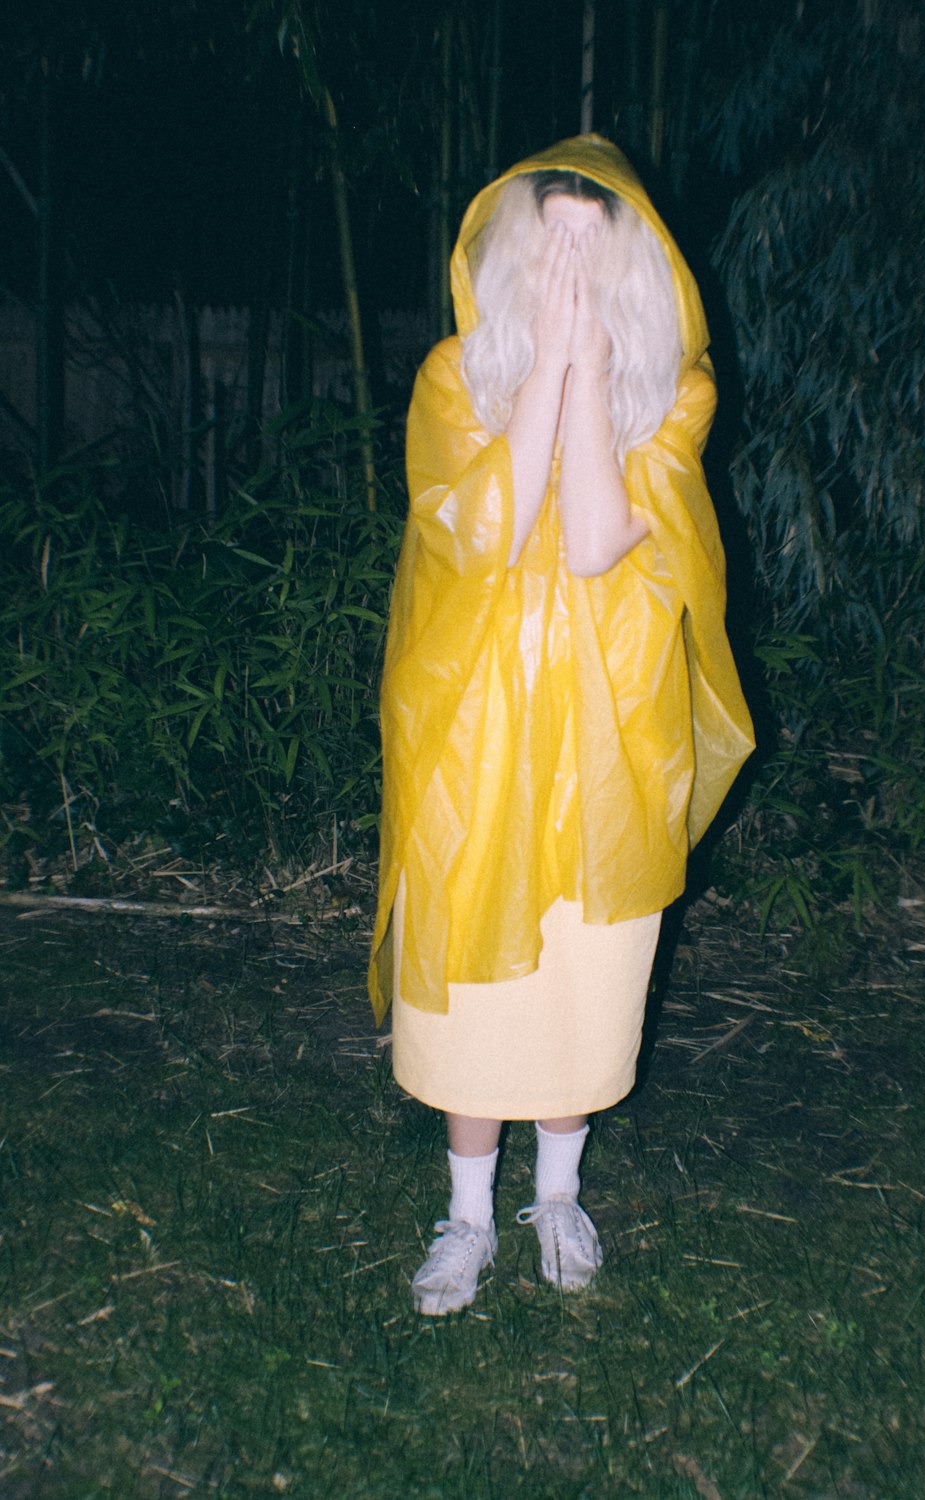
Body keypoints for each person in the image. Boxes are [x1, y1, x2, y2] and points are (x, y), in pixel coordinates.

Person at [367, 135, 754, 1315]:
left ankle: (558, 1197)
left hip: (606, 743)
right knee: (472, 989)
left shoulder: (674, 398)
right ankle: (467, 1217)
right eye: (551, 241)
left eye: (594, 242)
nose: (569, 264)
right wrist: (540, 367)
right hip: (477, 737)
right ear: (516, 251)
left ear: (633, 260)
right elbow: (483, 530)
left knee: (583, 980)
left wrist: (589, 371)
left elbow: (593, 536)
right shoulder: (453, 379)